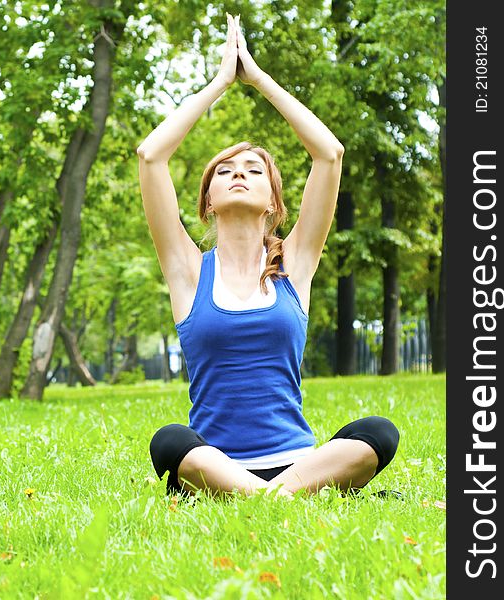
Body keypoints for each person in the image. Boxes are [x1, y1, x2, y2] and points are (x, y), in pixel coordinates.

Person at [137, 15, 398, 498]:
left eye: (254, 170)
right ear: (208, 201)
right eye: (225, 171)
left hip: (298, 462)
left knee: (379, 432)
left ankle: (273, 495)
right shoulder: (189, 270)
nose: (239, 174)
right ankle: (279, 498)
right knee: (169, 442)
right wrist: (220, 82)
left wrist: (256, 78)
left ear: (274, 203)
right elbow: (151, 156)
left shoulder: (295, 263)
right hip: (217, 465)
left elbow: (329, 154)